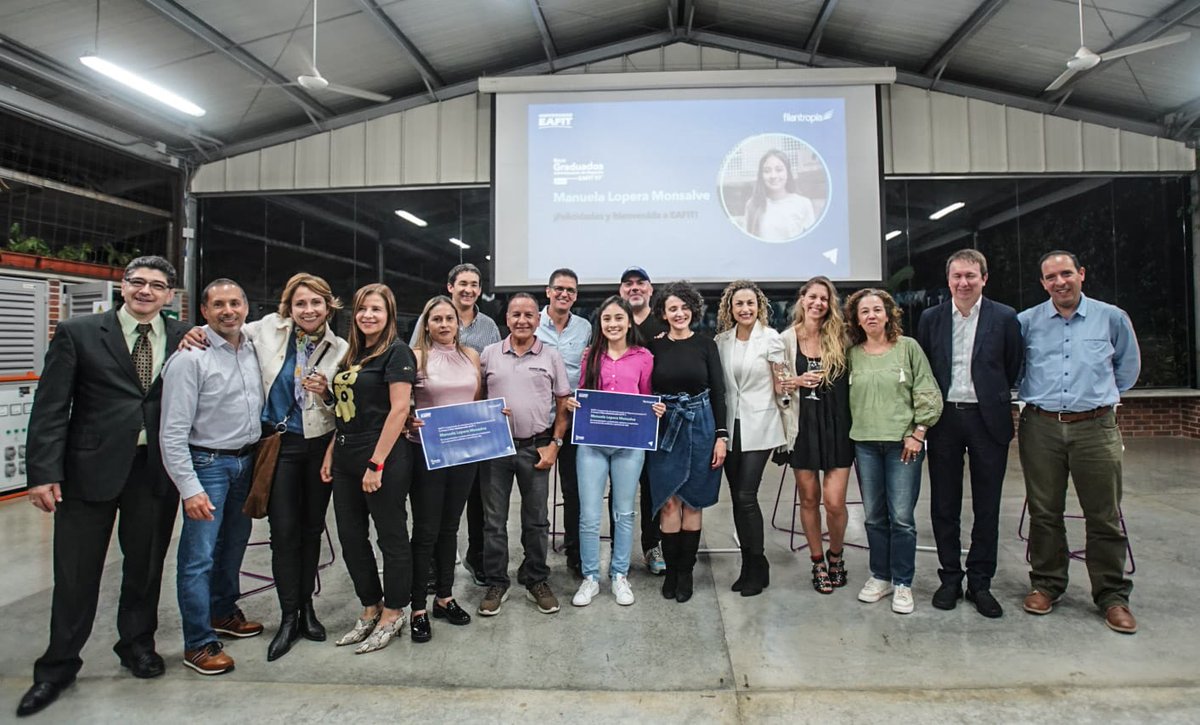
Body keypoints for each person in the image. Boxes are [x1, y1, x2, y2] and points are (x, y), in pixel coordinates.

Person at [17, 256, 189, 717]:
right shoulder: (79, 333)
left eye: (157, 285)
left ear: (170, 294)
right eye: (138, 283)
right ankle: (57, 667)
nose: (146, 292)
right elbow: (51, 406)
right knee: (75, 574)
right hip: (88, 470)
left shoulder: (181, 338)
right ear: (123, 285)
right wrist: (43, 473)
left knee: (146, 567)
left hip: (152, 471)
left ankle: (136, 646)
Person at [1017, 251, 1140, 634]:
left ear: (1081, 274)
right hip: (1041, 426)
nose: (1059, 282)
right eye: (1051, 277)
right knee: (1044, 511)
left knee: (1103, 515)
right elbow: (1016, 368)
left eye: (1066, 273)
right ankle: (1047, 584)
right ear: (1043, 283)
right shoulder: (1027, 323)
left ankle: (1112, 596)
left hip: (1095, 427)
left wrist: (1097, 398)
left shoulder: (1111, 317)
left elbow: (1128, 368)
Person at [160, 278, 265, 675]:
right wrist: (189, 488)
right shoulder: (191, 357)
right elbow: (172, 432)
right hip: (207, 465)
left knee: (233, 547)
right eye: (218, 304)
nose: (228, 311)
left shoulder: (251, 348)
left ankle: (224, 612)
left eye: (235, 303)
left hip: (245, 462)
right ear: (203, 311)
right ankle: (199, 643)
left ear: (246, 307)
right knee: (198, 558)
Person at [917, 250, 1023, 619]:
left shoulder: (1005, 317)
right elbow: (925, 369)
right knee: (944, 504)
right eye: (957, 276)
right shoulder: (931, 319)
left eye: (971, 276)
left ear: (984, 278)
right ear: (948, 280)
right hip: (944, 420)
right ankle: (949, 579)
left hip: (987, 420)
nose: (964, 283)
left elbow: (1012, 366)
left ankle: (980, 582)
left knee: (987, 506)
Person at [322, 284, 416, 654]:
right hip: (345, 454)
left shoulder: (397, 353)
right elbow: (347, 409)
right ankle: (370, 606)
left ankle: (394, 611)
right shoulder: (351, 355)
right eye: (362, 309)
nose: (368, 316)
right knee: (350, 537)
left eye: (376, 309)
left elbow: (399, 411)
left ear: (389, 314)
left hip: (382, 456)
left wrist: (376, 463)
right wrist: (332, 451)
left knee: (390, 536)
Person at [845, 288, 942, 615]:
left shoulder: (908, 348)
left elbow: (927, 390)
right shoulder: (852, 353)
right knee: (874, 516)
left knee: (901, 517)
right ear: (857, 319)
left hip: (904, 444)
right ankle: (880, 576)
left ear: (888, 314)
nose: (871, 316)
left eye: (876, 309)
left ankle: (902, 582)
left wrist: (918, 433)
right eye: (864, 312)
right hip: (866, 445)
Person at [477, 293, 571, 617]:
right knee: (493, 521)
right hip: (496, 449)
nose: (522, 320)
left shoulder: (552, 356)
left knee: (536, 520)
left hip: (536, 446)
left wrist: (555, 444)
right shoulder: (489, 355)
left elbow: (562, 404)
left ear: (538, 320)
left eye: (529, 315)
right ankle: (496, 582)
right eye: (516, 314)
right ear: (507, 319)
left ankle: (535, 580)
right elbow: (476, 401)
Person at [568, 296, 664, 607]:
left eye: (618, 318)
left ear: (629, 321)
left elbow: (647, 397)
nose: (613, 324)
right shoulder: (590, 355)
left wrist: (657, 409)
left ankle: (620, 574)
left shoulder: (644, 356)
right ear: (600, 323)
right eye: (607, 319)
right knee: (590, 514)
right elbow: (583, 393)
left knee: (624, 513)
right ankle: (591, 577)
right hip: (592, 445)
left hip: (629, 446)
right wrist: (574, 404)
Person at [409, 263, 501, 588]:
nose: (469, 289)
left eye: (474, 284)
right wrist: (409, 417)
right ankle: (427, 576)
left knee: (465, 512)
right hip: (430, 446)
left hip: (468, 442)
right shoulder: (419, 344)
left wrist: (492, 417)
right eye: (462, 283)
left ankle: (464, 569)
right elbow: (407, 391)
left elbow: (483, 388)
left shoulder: (484, 333)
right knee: (429, 518)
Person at [646, 281, 727, 604]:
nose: (679, 313)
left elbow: (720, 393)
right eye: (672, 309)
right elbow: (644, 387)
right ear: (663, 314)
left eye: (684, 307)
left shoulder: (707, 345)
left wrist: (721, 437)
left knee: (693, 501)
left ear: (693, 310)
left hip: (702, 425)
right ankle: (671, 570)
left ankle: (686, 572)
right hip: (665, 428)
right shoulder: (654, 348)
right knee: (668, 501)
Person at [405, 296, 481, 642]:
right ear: (427, 323)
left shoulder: (472, 357)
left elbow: (478, 403)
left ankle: (444, 597)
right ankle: (417, 607)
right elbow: (402, 403)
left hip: (464, 453)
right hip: (428, 454)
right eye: (436, 319)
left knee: (450, 528)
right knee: (425, 530)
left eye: (449, 318)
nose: (444, 324)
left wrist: (496, 417)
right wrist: (408, 421)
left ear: (458, 322)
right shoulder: (415, 357)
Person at [779, 276, 854, 595]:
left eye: (824, 298)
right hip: (803, 426)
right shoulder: (785, 339)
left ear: (830, 303)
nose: (818, 303)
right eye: (813, 297)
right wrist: (796, 381)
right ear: (802, 299)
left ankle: (836, 556)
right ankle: (818, 562)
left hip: (837, 426)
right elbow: (779, 386)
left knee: (834, 502)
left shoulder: (843, 337)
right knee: (808, 499)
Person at [714, 280, 787, 597]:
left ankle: (756, 564)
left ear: (759, 307)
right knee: (738, 500)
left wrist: (789, 423)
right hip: (732, 426)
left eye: (750, 303)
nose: (744, 309)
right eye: (738, 304)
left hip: (762, 424)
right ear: (730, 309)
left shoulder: (771, 338)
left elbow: (781, 383)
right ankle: (750, 565)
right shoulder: (721, 341)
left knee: (746, 496)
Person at [536, 268, 591, 579]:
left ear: (576, 295)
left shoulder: (584, 328)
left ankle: (575, 551)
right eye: (559, 288)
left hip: (573, 419)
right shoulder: (532, 322)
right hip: (537, 419)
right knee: (535, 493)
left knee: (574, 490)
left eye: (570, 290)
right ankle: (535, 555)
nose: (564, 294)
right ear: (548, 291)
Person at [618, 266, 668, 575]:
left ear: (650, 289)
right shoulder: (614, 322)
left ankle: (652, 545)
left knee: (652, 487)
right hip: (619, 421)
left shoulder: (663, 323)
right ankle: (618, 549)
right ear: (621, 291)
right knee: (620, 488)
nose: (634, 288)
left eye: (640, 283)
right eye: (628, 284)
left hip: (655, 420)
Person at [742, 149, 817, 241]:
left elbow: (811, 242)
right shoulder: (753, 204)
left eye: (779, 170)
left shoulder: (803, 203)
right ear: (761, 175)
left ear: (788, 173)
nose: (773, 176)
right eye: (767, 171)